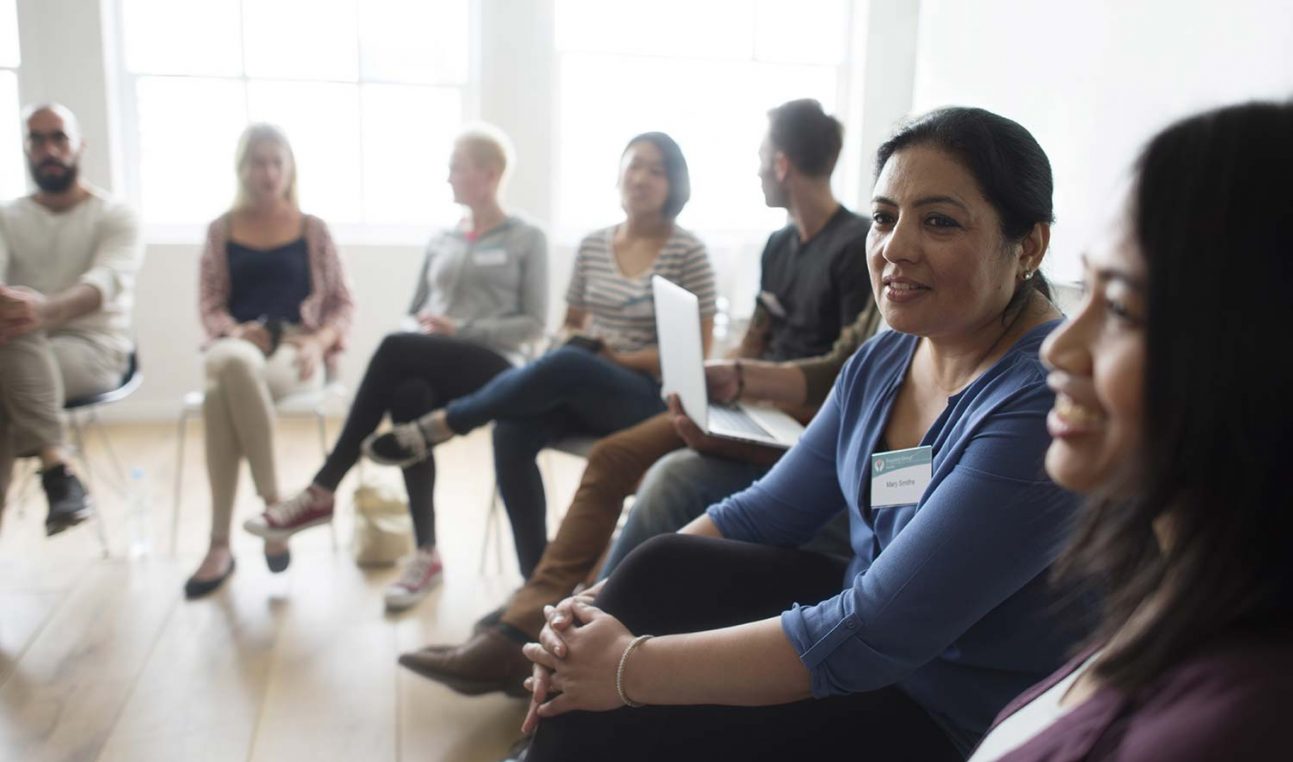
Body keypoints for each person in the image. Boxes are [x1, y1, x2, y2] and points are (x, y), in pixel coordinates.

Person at [520, 107, 1086, 761]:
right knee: (659, 567)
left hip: (941, 714)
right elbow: (759, 515)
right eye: (882, 217)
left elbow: (875, 633)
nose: (893, 247)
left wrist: (624, 668)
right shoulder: (888, 355)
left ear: (1029, 246)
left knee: (625, 708)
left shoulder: (1045, 403)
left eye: (938, 221)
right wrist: (592, 611)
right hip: (859, 645)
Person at [397, 99, 879, 696]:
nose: (755, 170)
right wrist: (729, 374)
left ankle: (532, 629)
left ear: (781, 165)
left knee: (616, 456)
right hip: (751, 404)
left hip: (800, 421)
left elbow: (848, 371)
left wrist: (741, 379)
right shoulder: (781, 247)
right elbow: (760, 333)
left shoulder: (858, 244)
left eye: (759, 158)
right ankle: (528, 622)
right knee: (586, 447)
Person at [967, 101, 1293, 761]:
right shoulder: (1179, 586)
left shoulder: (1230, 725)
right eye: (1084, 288)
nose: (1059, 350)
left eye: (1118, 306)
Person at [363, 132, 716, 579]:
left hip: (647, 399)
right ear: (618, 175)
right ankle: (539, 582)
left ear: (674, 185)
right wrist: (581, 344)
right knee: (512, 429)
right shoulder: (593, 246)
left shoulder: (689, 252)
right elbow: (571, 324)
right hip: (583, 384)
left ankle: (445, 423)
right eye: (634, 165)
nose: (641, 178)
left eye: (656, 170)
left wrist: (614, 358)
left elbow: (693, 356)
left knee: (571, 364)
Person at [243, 125, 548, 610]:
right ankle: (427, 553)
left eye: (456, 167)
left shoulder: (527, 237)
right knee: (407, 396)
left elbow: (533, 325)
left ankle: (324, 487)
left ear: (489, 175)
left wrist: (460, 328)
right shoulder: (443, 239)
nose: (448, 177)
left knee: (392, 347)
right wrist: (427, 331)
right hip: (438, 360)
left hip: (499, 369)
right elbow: (414, 311)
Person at [184, 123, 354, 599]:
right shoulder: (221, 230)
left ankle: (219, 545)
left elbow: (343, 303)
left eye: (277, 161)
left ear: (290, 168)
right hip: (237, 344)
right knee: (234, 366)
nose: (268, 172)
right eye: (259, 162)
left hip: (296, 349)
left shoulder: (313, 229)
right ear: (242, 168)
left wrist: (319, 341)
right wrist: (236, 332)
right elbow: (209, 305)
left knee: (221, 397)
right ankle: (275, 504)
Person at [0, 103, 143, 536]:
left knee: (16, 337)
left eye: (58, 137)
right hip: (17, 347)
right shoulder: (7, 218)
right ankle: (57, 469)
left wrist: (41, 310)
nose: (49, 149)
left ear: (79, 144)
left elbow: (105, 282)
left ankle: (56, 471)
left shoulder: (115, 215)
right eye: (37, 139)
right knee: (15, 336)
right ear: (26, 149)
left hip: (94, 350)